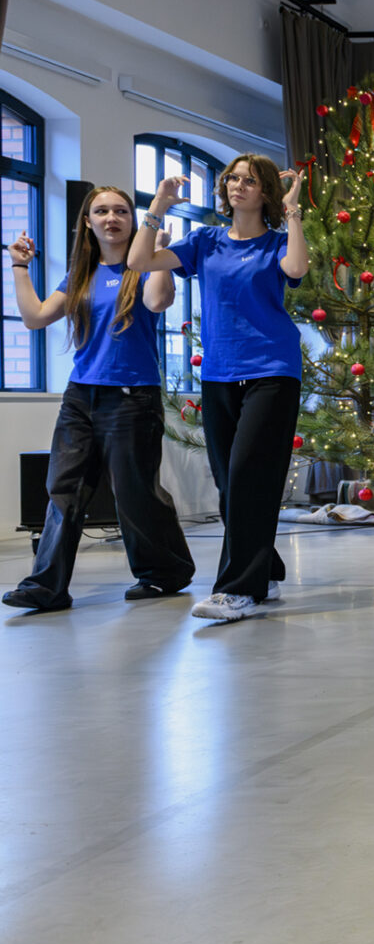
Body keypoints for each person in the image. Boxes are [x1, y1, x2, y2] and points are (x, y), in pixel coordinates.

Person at [129, 155, 309, 622]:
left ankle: (238, 589)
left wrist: (292, 211)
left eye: (249, 180)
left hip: (272, 371)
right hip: (218, 373)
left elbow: (297, 267)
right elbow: (139, 260)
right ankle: (265, 566)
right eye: (232, 178)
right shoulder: (205, 241)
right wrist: (158, 205)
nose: (236, 185)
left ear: (265, 191)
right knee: (230, 484)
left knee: (249, 475)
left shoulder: (276, 243)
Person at [3, 187, 194, 611]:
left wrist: (159, 253)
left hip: (132, 396)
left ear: (132, 219)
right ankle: (46, 586)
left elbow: (158, 301)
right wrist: (19, 266)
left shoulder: (144, 264)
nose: (112, 218)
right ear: (87, 222)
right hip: (80, 395)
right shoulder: (80, 275)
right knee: (62, 489)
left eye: (121, 210)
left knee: (134, 492)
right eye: (102, 211)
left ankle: (165, 572)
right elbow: (35, 317)